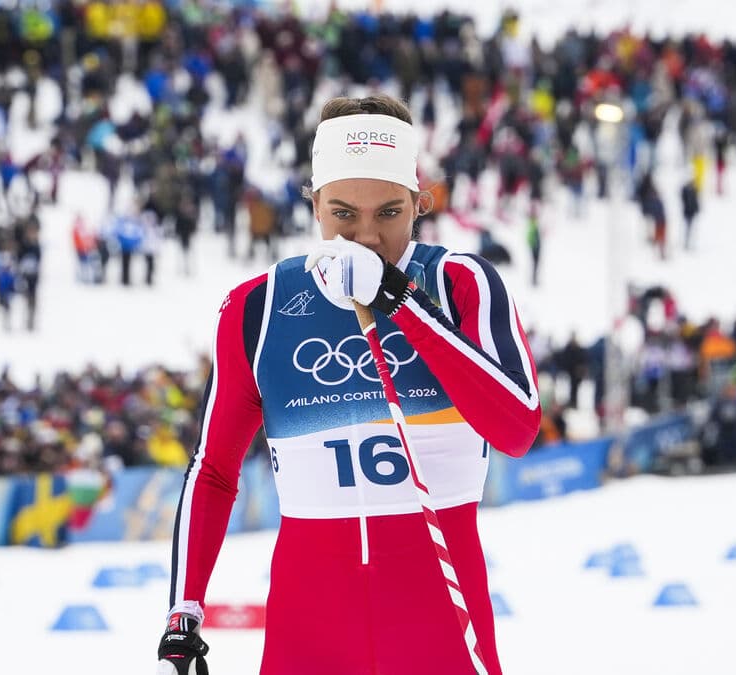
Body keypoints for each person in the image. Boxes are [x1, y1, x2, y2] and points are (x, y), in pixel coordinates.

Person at [158, 95, 541, 675]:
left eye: (389, 213)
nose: (365, 238)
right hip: (307, 640)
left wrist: (403, 304)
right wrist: (182, 618)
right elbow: (213, 471)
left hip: (440, 636)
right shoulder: (259, 308)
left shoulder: (458, 284)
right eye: (343, 214)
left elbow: (517, 427)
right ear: (313, 205)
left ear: (419, 204)